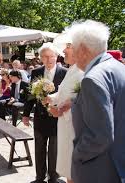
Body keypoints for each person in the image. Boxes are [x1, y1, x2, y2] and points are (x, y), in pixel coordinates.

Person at [67, 20, 125, 183]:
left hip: (101, 170)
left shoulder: (92, 79)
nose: (72, 53)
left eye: (73, 48)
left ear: (84, 50)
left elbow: (100, 135)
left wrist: (77, 154)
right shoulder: (118, 68)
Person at [42, 33, 84, 183]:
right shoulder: (72, 69)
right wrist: (51, 98)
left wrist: (60, 111)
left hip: (74, 127)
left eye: (68, 47)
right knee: (68, 167)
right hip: (65, 126)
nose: (63, 51)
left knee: (74, 169)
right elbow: (64, 91)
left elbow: (83, 100)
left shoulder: (83, 71)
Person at [22, 42, 67, 183]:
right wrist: (25, 114)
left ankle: (53, 178)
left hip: (57, 118)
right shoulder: (36, 72)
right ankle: (39, 177)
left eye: (51, 56)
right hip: (40, 117)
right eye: (45, 56)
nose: (48, 59)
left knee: (54, 151)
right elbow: (30, 95)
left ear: (56, 56)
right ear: (40, 57)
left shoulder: (65, 73)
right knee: (39, 149)